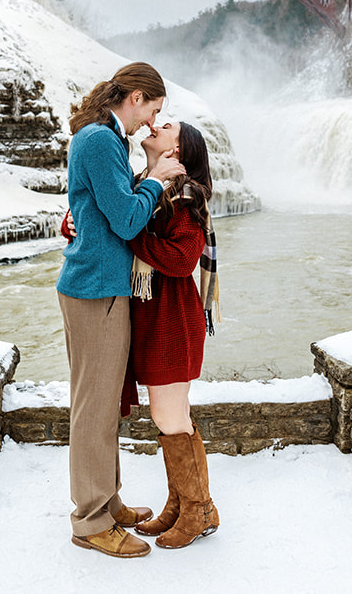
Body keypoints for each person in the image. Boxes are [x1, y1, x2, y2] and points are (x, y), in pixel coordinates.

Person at [56, 62, 185, 559]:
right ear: (134, 97)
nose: (152, 123)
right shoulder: (98, 140)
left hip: (101, 287)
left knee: (104, 405)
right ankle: (90, 521)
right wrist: (155, 177)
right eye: (152, 111)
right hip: (95, 291)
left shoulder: (107, 139)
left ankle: (106, 503)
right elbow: (129, 220)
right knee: (93, 410)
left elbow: (108, 207)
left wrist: (144, 176)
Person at [126, 119, 221, 549]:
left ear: (177, 151)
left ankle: (198, 509)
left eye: (165, 126)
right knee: (170, 417)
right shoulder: (147, 185)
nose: (153, 125)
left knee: (170, 417)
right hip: (156, 318)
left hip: (172, 320)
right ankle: (183, 504)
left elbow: (183, 261)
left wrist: (129, 238)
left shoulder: (183, 196)